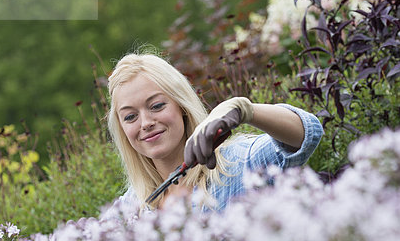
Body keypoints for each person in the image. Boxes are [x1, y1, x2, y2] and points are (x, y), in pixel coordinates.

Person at [107, 52, 323, 213]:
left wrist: (246, 110)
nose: (145, 123)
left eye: (156, 106)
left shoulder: (237, 164)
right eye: (130, 117)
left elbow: (308, 133)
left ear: (181, 106)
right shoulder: (130, 211)